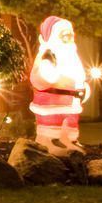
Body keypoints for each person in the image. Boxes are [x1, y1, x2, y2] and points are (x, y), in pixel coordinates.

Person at [29, 15, 89, 154]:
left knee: (71, 121)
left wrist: (84, 88)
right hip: (52, 103)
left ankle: (71, 140)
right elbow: (39, 77)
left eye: (70, 35)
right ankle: (52, 140)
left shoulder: (71, 55)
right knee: (54, 122)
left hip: (72, 102)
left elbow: (78, 75)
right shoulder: (47, 56)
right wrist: (47, 73)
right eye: (64, 35)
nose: (68, 38)